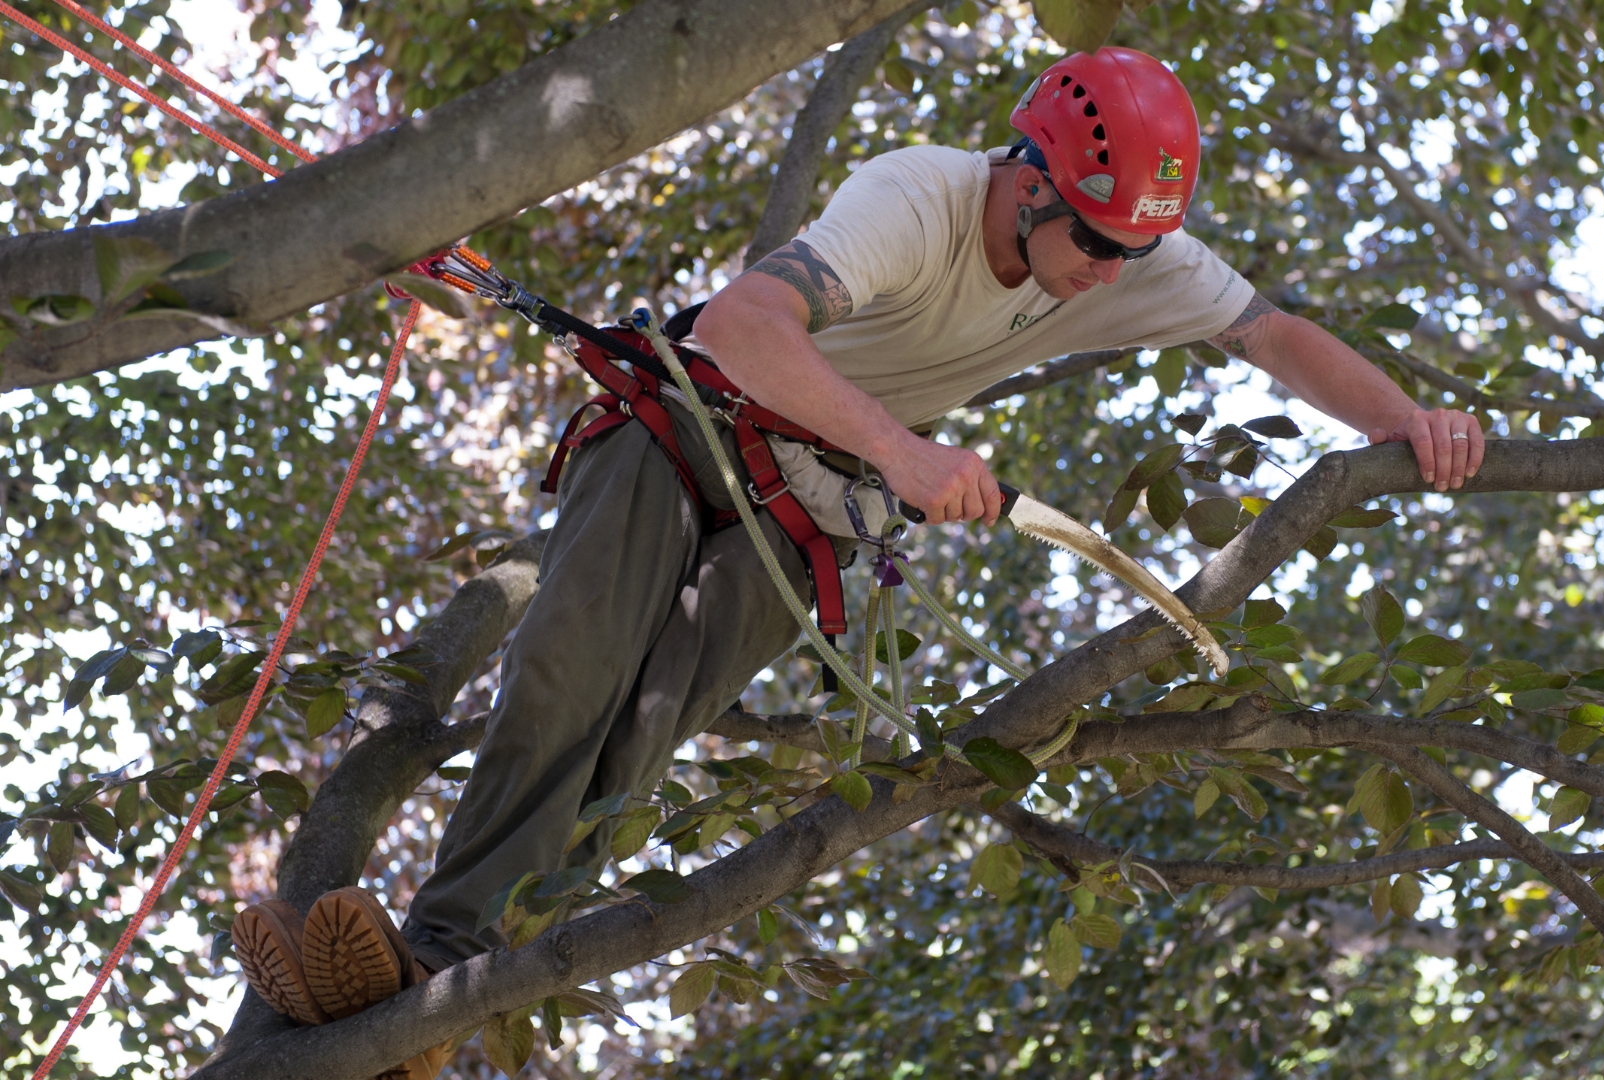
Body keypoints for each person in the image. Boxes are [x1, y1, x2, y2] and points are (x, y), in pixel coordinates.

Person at [229, 45, 1484, 1075]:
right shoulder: (919, 196)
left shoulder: (1124, 256)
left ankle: (424, 1013)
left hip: (809, 509)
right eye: (1100, 244)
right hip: (693, 429)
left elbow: (1273, 334)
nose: (1115, 275)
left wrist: (1405, 423)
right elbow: (742, 323)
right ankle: (436, 957)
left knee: (633, 744)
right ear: (1031, 182)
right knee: (568, 666)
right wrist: (906, 451)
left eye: (1134, 254)